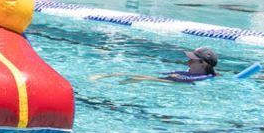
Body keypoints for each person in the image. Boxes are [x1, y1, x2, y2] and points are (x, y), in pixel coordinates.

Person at [91, 46, 220, 85]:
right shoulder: (190, 74)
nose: (188, 62)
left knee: (139, 79)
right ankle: (111, 75)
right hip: (175, 80)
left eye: (192, 60)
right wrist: (114, 74)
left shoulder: (202, 79)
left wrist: (144, 79)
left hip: (178, 83)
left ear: (203, 63)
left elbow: (176, 81)